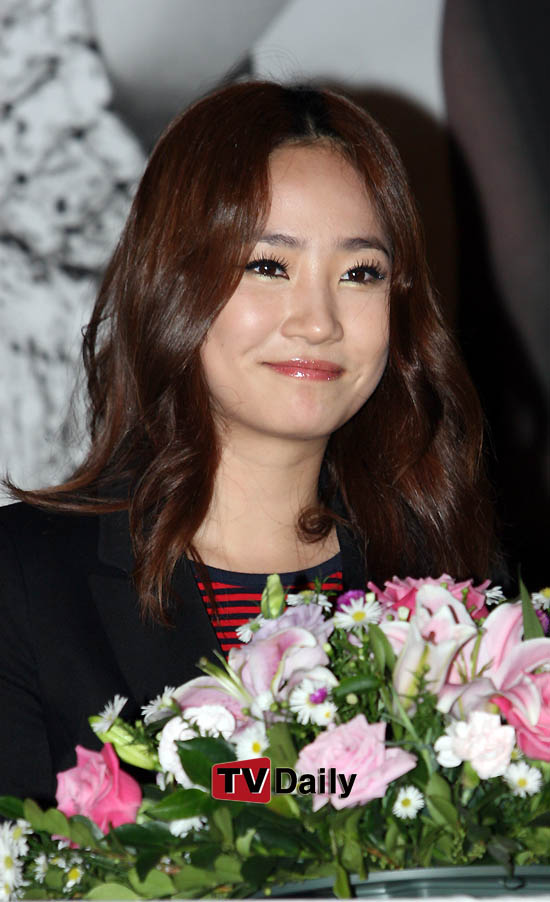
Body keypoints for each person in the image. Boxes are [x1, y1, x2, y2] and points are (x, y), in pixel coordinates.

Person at [0, 81, 496, 804]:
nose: (318, 321)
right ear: (173, 281)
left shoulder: (455, 588)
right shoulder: (23, 581)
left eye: (361, 273)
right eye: (269, 266)